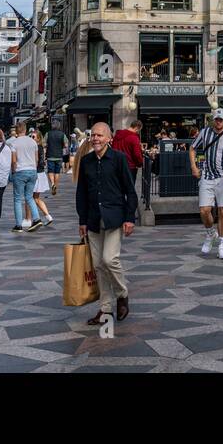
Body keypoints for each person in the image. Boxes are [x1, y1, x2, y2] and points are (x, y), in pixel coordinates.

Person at [75, 122, 136, 326]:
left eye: (100, 135)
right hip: (93, 218)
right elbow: (81, 193)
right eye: (93, 135)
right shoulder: (86, 161)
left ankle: (122, 293)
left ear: (109, 138)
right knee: (99, 265)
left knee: (110, 260)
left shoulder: (118, 159)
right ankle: (105, 308)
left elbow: (130, 190)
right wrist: (82, 220)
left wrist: (129, 218)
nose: (95, 139)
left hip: (114, 217)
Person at [190, 108, 223, 260]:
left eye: (221, 119)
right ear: (213, 120)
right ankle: (211, 233)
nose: (218, 122)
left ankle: (222, 245)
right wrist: (193, 166)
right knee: (204, 210)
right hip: (207, 175)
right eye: (216, 119)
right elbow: (192, 148)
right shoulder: (205, 133)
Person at [8, 121, 51, 232]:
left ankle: (18, 225)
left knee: (18, 198)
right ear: (25, 130)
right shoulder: (33, 142)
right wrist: (34, 169)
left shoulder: (14, 143)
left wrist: (14, 171)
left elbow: (13, 160)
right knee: (29, 197)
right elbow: (36, 159)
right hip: (32, 171)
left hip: (20, 171)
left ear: (17, 131)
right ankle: (36, 219)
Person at [111, 120, 145, 188]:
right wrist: (140, 163)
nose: (138, 132)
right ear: (136, 128)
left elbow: (113, 149)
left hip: (117, 166)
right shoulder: (134, 138)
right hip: (130, 167)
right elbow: (137, 154)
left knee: (119, 188)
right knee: (130, 190)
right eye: (139, 130)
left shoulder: (116, 136)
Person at [44, 124, 67, 197]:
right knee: (57, 172)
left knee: (50, 171)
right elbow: (66, 145)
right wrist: (61, 145)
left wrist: (48, 145)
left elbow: (44, 143)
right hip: (59, 156)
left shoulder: (48, 134)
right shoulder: (62, 134)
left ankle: (53, 184)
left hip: (50, 155)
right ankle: (55, 186)